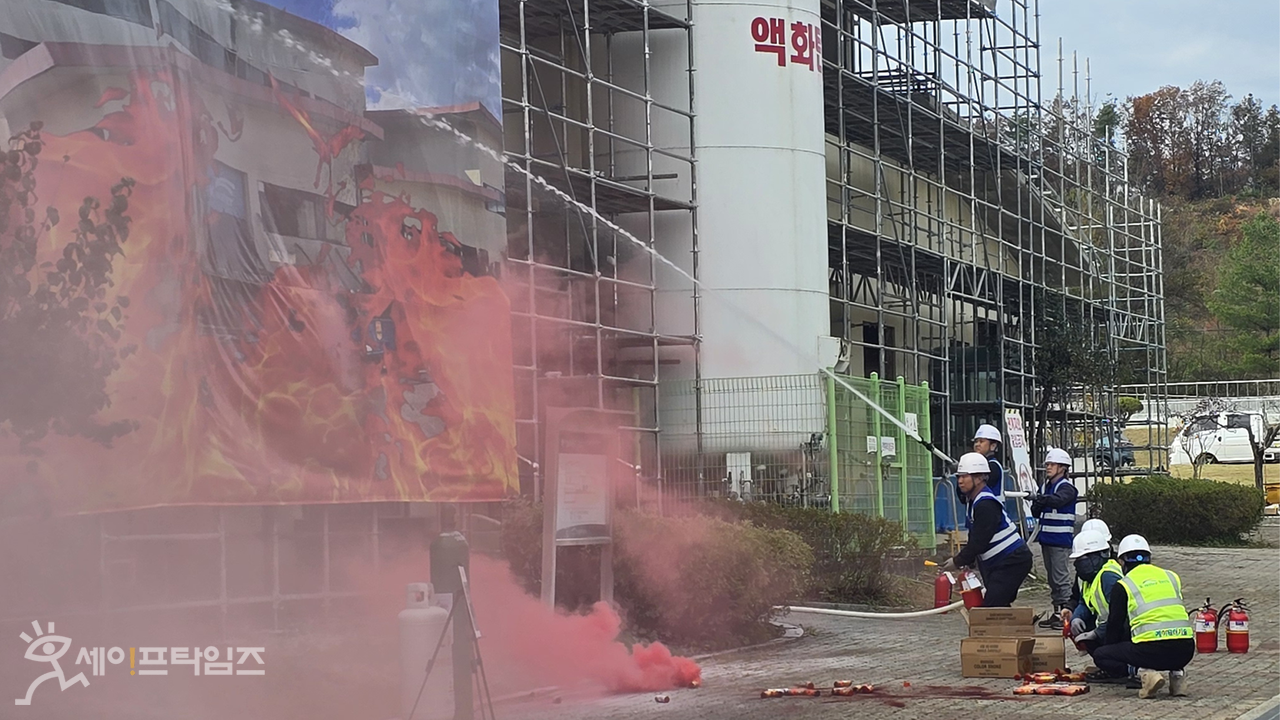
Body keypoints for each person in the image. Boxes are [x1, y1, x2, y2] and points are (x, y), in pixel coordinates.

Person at [1091, 534, 1194, 698]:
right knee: (1168, 638)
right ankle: (1178, 678)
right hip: (1185, 651)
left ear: (1122, 562)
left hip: (1151, 653)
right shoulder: (1171, 576)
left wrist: (1110, 649)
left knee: (1101, 655)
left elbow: (1115, 625)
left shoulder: (1124, 585)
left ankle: (1145, 673)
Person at [941, 452, 1032, 607]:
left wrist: (958, 561)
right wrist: (967, 560)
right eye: (959, 477)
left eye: (965, 476)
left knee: (991, 609)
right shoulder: (975, 501)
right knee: (998, 607)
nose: (960, 481)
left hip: (1012, 560)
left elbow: (979, 541)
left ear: (979, 478)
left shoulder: (985, 504)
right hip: (1000, 561)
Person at [1061, 530, 1125, 680]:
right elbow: (1084, 601)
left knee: (1100, 655)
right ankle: (1110, 665)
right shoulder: (1090, 577)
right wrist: (1077, 618)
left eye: (1082, 559)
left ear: (1097, 557)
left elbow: (1119, 616)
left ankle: (1120, 669)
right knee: (1084, 629)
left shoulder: (1108, 577)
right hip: (1108, 627)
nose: (1078, 565)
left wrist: (1096, 633)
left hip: (1121, 630)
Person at [1031, 447, 1078, 629]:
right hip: (1047, 539)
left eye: (1052, 464)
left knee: (1061, 579)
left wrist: (1041, 499)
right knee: (1052, 579)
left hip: (1060, 541)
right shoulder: (1045, 487)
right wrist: (1038, 502)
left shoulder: (1067, 488)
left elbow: (1058, 500)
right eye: (1047, 464)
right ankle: (1057, 612)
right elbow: (1037, 511)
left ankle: (1066, 615)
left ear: (1062, 468)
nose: (1048, 467)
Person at [958, 424, 1006, 530]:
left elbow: (975, 489)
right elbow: (963, 496)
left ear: (993, 446)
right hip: (977, 517)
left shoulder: (993, 467)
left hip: (991, 520)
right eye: (976, 441)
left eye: (981, 441)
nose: (977, 444)